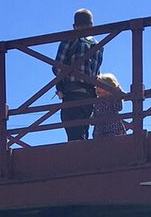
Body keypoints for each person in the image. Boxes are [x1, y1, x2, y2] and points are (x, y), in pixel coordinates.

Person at [54, 9, 103, 141]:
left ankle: (78, 159)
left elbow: (58, 68)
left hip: (72, 93)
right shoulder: (98, 45)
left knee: (74, 135)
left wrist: (60, 86)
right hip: (90, 96)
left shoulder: (70, 39)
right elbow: (97, 71)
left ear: (74, 25)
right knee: (83, 132)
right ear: (91, 25)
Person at [91, 73, 126, 138]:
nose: (97, 89)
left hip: (114, 129)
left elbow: (119, 107)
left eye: (100, 86)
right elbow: (95, 114)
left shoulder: (112, 99)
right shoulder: (97, 102)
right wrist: (92, 119)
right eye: (96, 86)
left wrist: (117, 93)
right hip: (100, 131)